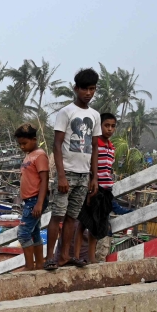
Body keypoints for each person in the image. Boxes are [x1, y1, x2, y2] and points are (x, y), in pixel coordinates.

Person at [45, 68, 101, 271]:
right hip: (66, 173)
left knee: (72, 217)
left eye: (92, 89)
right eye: (85, 89)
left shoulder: (95, 116)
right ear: (76, 88)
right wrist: (60, 175)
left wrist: (93, 177)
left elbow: (95, 147)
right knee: (57, 215)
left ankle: (64, 257)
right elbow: (57, 145)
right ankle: (50, 257)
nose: (88, 93)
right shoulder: (66, 112)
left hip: (83, 174)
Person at [80, 112, 118, 263]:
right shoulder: (94, 145)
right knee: (83, 224)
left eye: (113, 126)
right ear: (99, 126)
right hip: (94, 188)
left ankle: (91, 258)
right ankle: (78, 256)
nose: (109, 129)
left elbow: (108, 169)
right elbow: (89, 166)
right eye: (106, 125)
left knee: (95, 227)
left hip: (106, 190)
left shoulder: (111, 147)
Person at [14, 124, 50, 271]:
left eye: (24, 143)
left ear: (34, 140)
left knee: (23, 234)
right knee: (34, 232)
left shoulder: (39, 155)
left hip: (36, 199)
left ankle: (29, 266)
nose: (22, 147)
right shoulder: (29, 155)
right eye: (20, 144)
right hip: (30, 200)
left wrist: (40, 203)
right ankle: (39, 264)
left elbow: (44, 179)